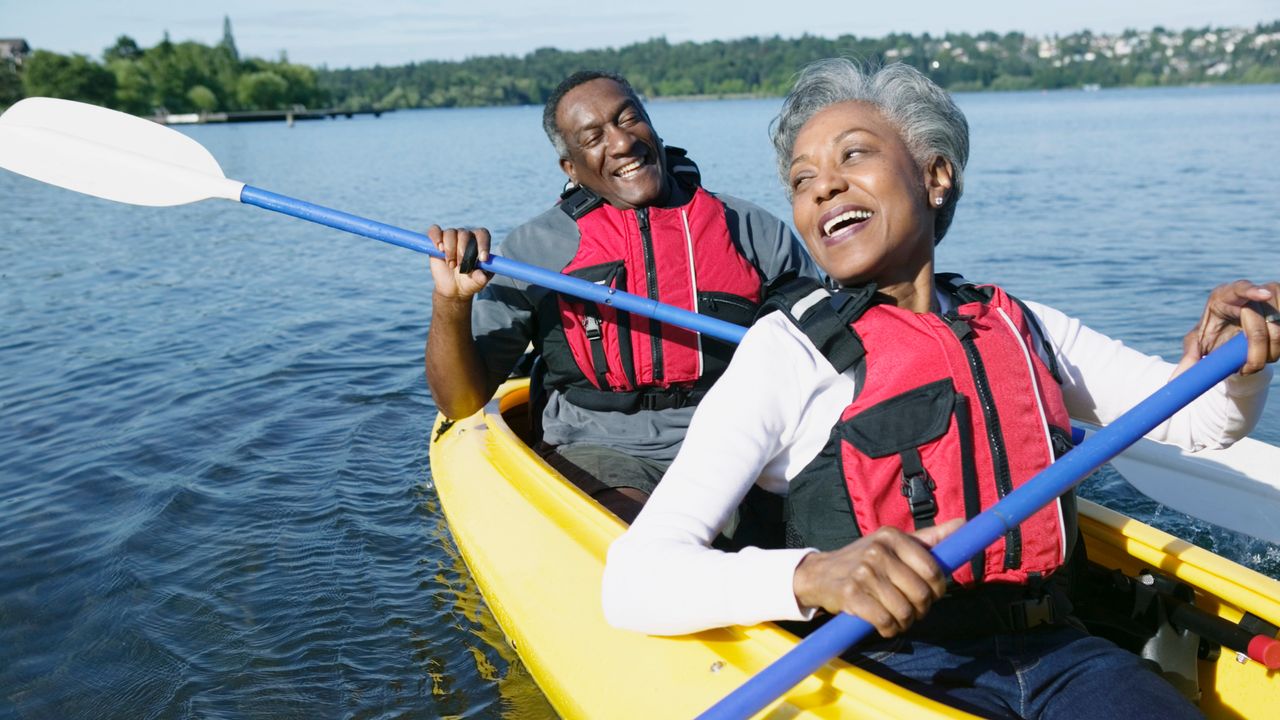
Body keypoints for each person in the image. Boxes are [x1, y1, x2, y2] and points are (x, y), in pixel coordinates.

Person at [602, 59, 1279, 718]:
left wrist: (1239, 365)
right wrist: (813, 575)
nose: (822, 189)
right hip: (883, 666)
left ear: (935, 175)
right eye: (802, 179)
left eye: (852, 156)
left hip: (1063, 653)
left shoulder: (1022, 326)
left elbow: (1203, 424)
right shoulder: (787, 352)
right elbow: (633, 582)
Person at [425, 70, 815, 522]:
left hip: (742, 443)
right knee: (640, 537)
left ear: (653, 126)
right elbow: (459, 402)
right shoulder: (533, 251)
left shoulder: (751, 230)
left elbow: (822, 356)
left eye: (629, 119)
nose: (622, 142)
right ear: (571, 168)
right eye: (593, 137)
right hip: (605, 450)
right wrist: (452, 302)